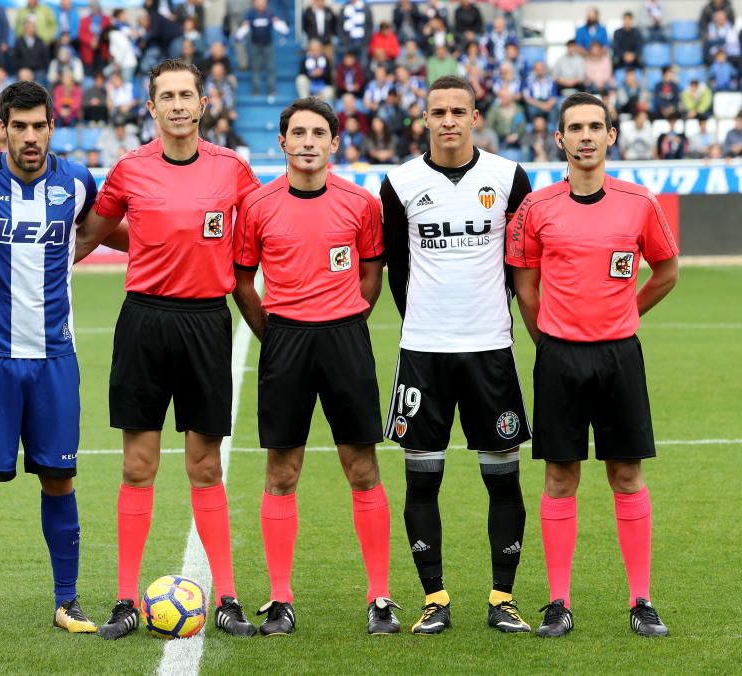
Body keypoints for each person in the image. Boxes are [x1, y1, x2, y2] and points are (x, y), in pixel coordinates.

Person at [71, 59, 262, 640]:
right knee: (138, 465)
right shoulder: (129, 170)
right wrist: (19, 264)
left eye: (187, 95)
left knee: (204, 466)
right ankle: (126, 600)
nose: (178, 105)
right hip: (144, 323)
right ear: (150, 107)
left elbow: (263, 231)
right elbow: (89, 236)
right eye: (167, 97)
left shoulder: (232, 170)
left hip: (207, 322)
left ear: (203, 104)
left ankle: (226, 597)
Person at [0, 81, 105, 638]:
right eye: (19, 125)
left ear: (53, 127)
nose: (30, 136)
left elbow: (112, 228)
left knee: (59, 478)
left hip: (56, 357)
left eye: (39, 125)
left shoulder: (78, 182)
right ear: (2, 127)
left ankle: (67, 601)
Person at [507, 91, 679, 638]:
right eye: (574, 127)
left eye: (594, 127)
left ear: (610, 136)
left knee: (627, 475)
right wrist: (547, 340)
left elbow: (667, 271)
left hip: (620, 355)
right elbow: (525, 286)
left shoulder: (638, 202)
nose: (584, 136)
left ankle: (642, 600)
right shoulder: (537, 208)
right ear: (558, 139)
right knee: (560, 477)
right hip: (558, 356)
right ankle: (559, 602)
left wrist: (624, 312)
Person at [232, 97, 397, 636]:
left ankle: (379, 598)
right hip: (285, 342)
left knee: (362, 468)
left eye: (317, 132)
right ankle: (281, 599)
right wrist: (274, 335)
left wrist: (345, 322)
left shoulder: (360, 204)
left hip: (345, 340)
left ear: (334, 142)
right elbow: (241, 281)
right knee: (282, 471)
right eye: (297, 132)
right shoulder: (257, 205)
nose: (307, 141)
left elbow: (372, 275)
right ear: (281, 143)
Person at [379, 76, 534, 636]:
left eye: (458, 111)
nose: (448, 120)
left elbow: (522, 260)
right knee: (422, 480)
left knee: (504, 478)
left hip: (491, 350)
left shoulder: (510, 177)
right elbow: (398, 266)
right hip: (424, 352)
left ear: (475, 117)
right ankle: (434, 598)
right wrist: (427, 320)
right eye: (437, 112)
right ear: (424, 118)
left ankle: (503, 598)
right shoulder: (399, 183)